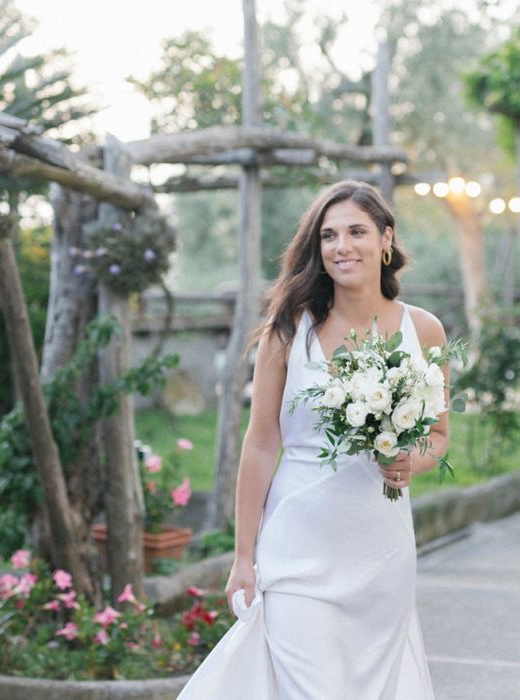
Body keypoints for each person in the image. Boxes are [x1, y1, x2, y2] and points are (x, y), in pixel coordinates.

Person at [178, 180, 449, 699]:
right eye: (328, 236)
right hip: (298, 547)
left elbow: (438, 437)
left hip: (381, 551)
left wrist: (409, 462)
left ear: (386, 239)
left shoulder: (426, 331)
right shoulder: (288, 333)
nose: (341, 246)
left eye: (355, 231)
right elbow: (259, 445)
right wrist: (243, 557)